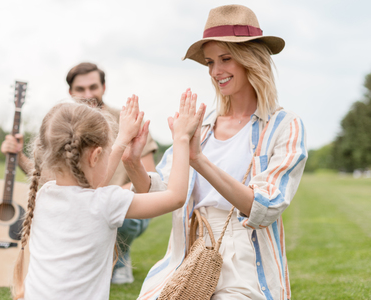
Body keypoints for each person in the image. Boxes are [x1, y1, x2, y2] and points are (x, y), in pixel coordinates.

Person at [130, 5, 308, 300]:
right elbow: (158, 191)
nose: (215, 71)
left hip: (245, 256)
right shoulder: (202, 125)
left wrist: (198, 159)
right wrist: (132, 160)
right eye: (210, 62)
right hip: (192, 249)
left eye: (226, 59)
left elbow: (264, 207)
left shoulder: (284, 126)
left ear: (251, 60)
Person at [11, 95, 206, 299]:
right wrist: (182, 138)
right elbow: (174, 197)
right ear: (95, 157)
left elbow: (91, 185)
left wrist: (121, 141)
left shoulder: (46, 193)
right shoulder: (107, 202)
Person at [1, 62, 158, 284]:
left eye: (93, 87)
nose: (88, 94)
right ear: (70, 92)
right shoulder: (65, 126)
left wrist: (106, 195)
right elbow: (50, 180)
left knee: (107, 208)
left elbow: (150, 181)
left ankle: (120, 257)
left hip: (123, 203)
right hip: (82, 203)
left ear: (104, 87)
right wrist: (18, 156)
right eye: (80, 89)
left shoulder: (127, 123)